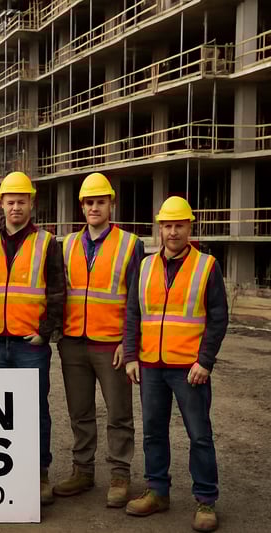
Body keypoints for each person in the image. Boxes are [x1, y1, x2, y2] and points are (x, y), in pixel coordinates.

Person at [123, 196, 228, 532]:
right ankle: (157, 491)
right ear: (160, 228)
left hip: (190, 368)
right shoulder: (145, 266)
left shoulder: (207, 266)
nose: (172, 232)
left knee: (199, 435)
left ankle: (206, 500)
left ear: (189, 227)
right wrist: (130, 356)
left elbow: (218, 318)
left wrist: (205, 361)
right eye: (167, 226)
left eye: (178, 225)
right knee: (153, 431)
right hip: (151, 364)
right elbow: (133, 314)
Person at [54, 172, 144, 507]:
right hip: (74, 340)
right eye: (89, 203)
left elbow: (137, 300)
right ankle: (83, 470)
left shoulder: (130, 245)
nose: (94, 207)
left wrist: (128, 342)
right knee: (80, 411)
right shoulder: (68, 244)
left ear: (110, 204)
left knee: (119, 412)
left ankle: (120, 474)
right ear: (82, 207)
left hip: (112, 344)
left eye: (100, 202)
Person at [0, 171, 65, 506]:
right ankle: (3, 473)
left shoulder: (47, 242)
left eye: (21, 201)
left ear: (31, 203)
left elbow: (57, 292)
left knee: (35, 411)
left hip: (30, 346)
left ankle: (39, 474)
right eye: (10, 201)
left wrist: (44, 333)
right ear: (1, 204)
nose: (16, 207)